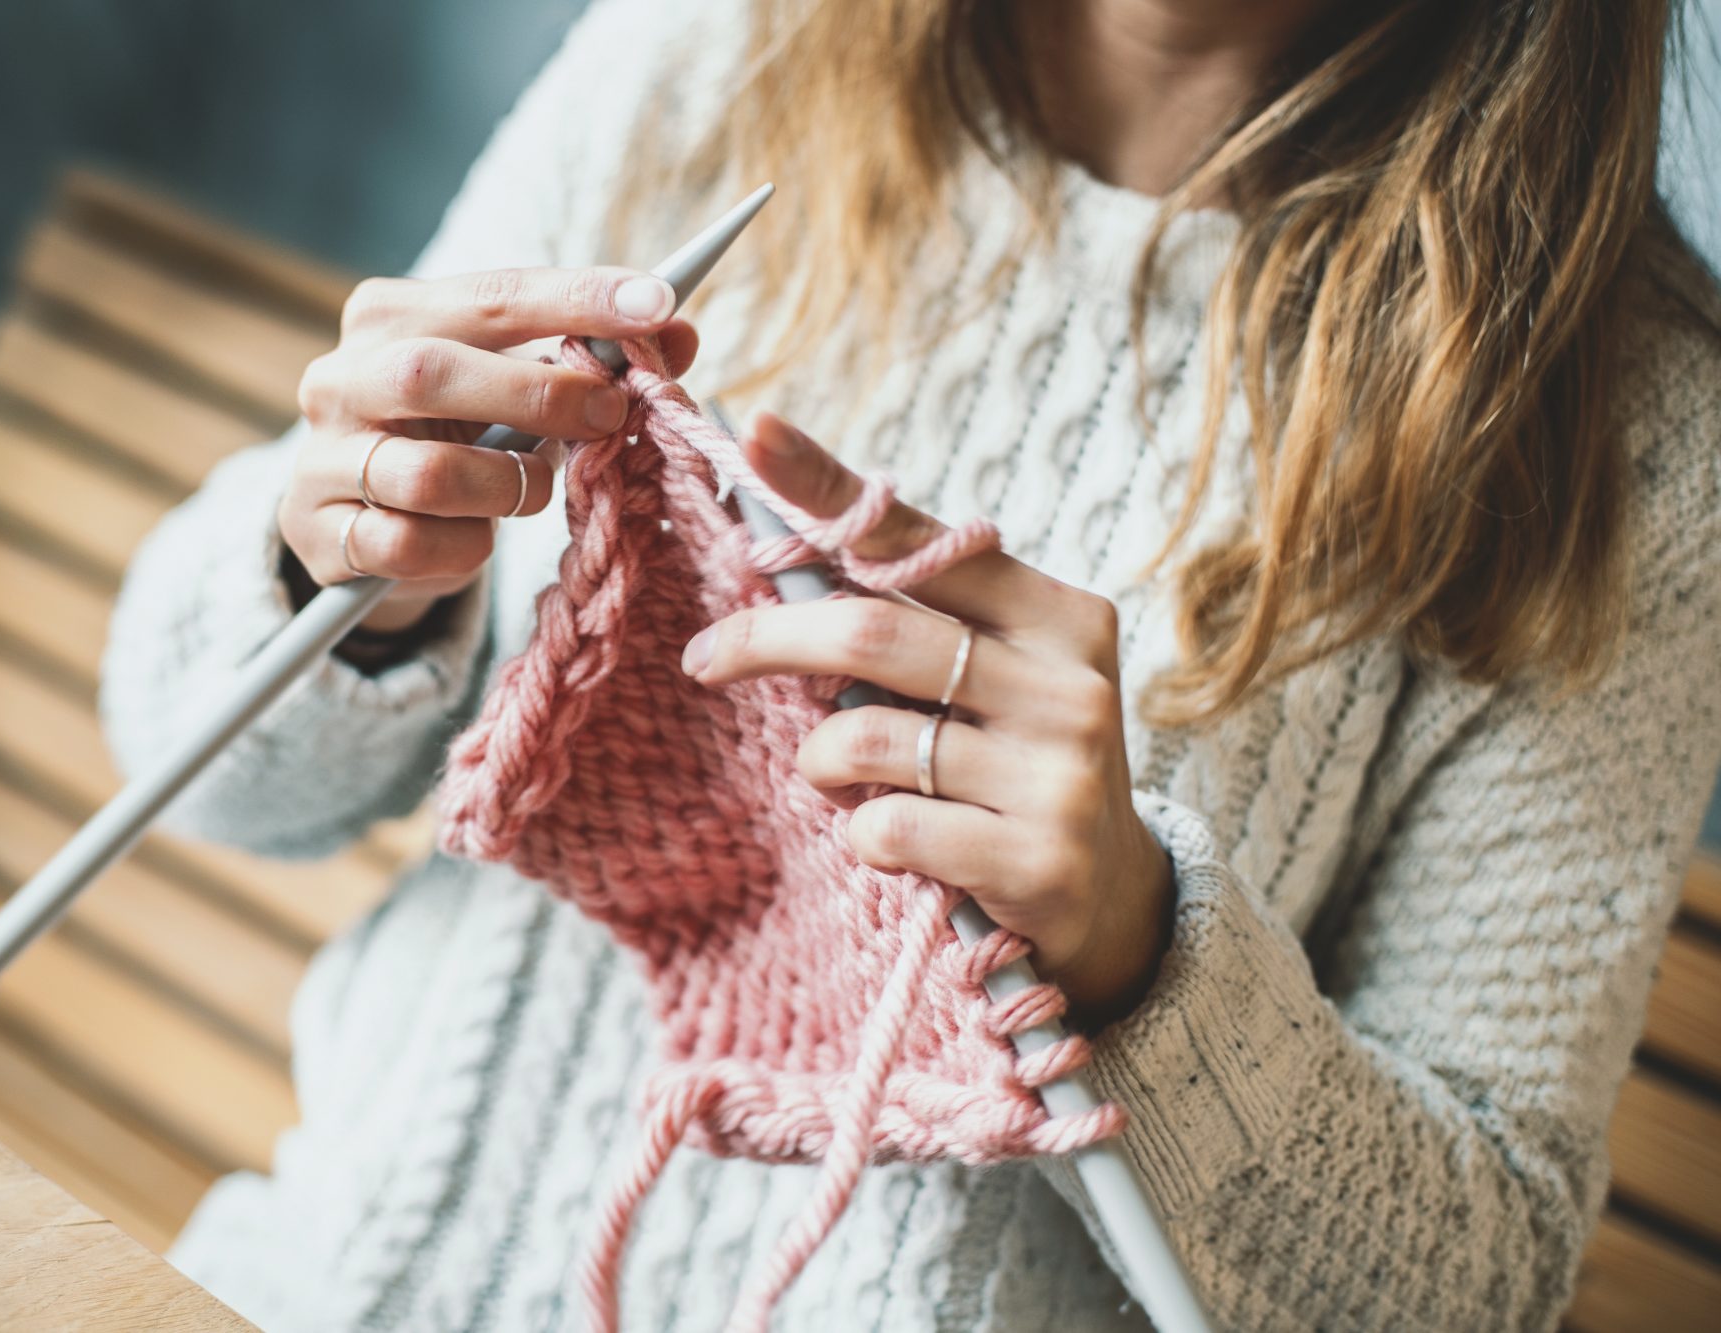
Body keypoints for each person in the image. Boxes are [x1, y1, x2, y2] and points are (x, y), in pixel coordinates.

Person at [100, 0, 1721, 1328]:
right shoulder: (727, 47)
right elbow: (197, 765)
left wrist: (1138, 944)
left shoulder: (1629, 423)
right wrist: (341, 571)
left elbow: (1470, 1291)